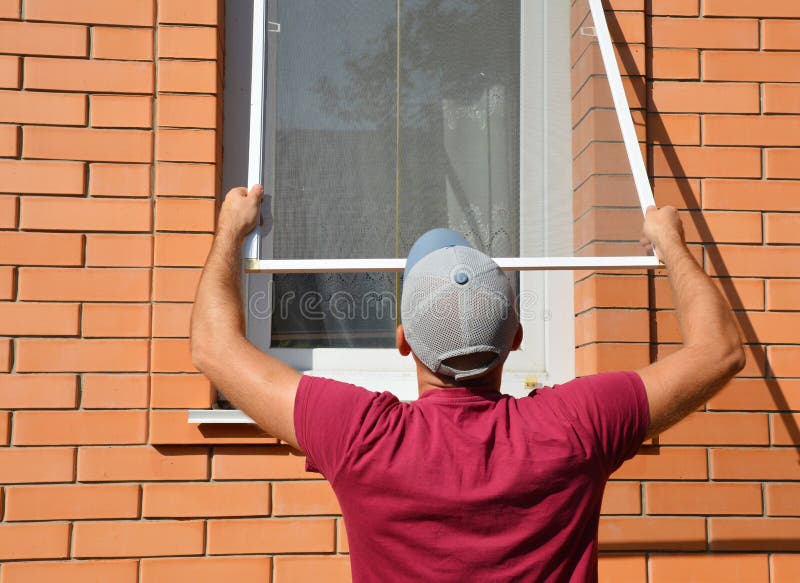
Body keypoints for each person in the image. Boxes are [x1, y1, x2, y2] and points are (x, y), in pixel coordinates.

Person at [190, 184, 745, 582]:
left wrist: (230, 233)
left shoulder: (362, 437)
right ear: (518, 338)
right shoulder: (574, 426)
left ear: (402, 340)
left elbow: (214, 349)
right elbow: (719, 352)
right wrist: (669, 242)